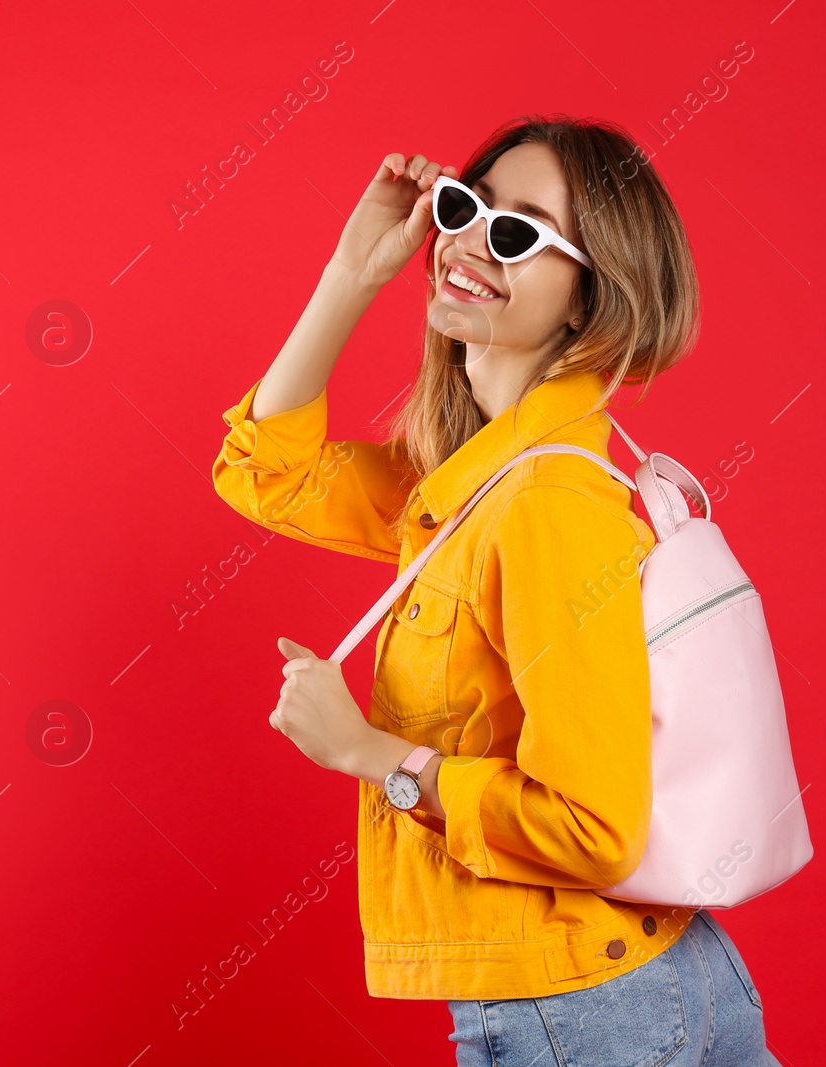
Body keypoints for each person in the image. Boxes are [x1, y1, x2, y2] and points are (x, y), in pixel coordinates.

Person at [210, 115, 780, 1065]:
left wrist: (368, 751)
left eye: (517, 233)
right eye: (466, 209)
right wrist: (355, 270)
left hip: (589, 1015)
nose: (469, 242)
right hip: (632, 990)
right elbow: (265, 473)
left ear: (587, 297)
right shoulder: (474, 479)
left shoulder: (543, 505)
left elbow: (595, 830)